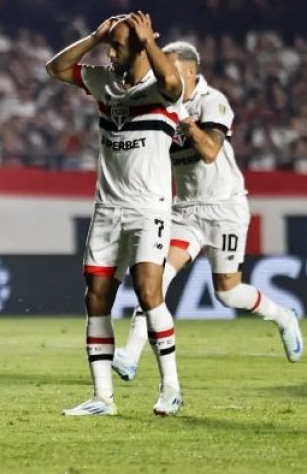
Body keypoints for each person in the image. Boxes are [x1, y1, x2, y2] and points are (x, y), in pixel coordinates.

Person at [111, 42, 303, 380]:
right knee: (154, 280)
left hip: (225, 207)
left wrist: (182, 117)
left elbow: (211, 151)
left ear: (189, 72)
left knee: (228, 293)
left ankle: (283, 316)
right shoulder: (162, 104)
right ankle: (130, 355)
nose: (163, 75)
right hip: (185, 211)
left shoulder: (212, 101)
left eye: (168, 68)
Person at [46, 11, 184, 416]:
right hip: (108, 208)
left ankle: (171, 387)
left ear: (140, 46)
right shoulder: (104, 81)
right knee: (97, 298)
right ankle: (102, 397)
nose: (110, 53)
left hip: (149, 208)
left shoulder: (159, 85)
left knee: (148, 290)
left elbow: (175, 85)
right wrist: (94, 36)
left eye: (118, 46)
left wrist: (148, 42)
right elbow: (56, 68)